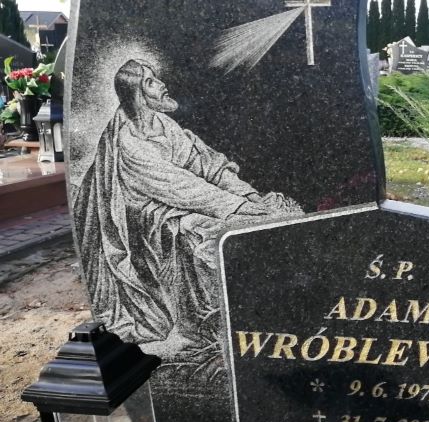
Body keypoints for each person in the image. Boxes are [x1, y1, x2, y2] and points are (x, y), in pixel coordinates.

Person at [74, 59, 301, 356]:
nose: (161, 85)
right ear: (137, 95)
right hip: (142, 228)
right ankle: (204, 324)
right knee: (202, 232)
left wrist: (250, 196)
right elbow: (181, 186)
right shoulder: (129, 142)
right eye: (151, 82)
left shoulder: (164, 124)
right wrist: (238, 207)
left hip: (180, 204)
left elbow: (206, 167)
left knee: (257, 214)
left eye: (156, 78)